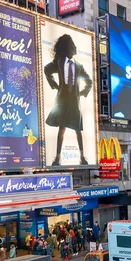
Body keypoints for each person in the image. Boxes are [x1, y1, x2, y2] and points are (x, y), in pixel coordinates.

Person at [44, 33, 94, 166]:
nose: (75, 48)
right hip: (62, 101)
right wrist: (55, 85)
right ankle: (57, 158)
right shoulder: (59, 62)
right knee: (62, 129)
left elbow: (89, 81)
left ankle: (82, 157)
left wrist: (83, 93)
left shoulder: (79, 66)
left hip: (74, 102)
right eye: (72, 46)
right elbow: (47, 69)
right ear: (67, 48)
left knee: (78, 130)